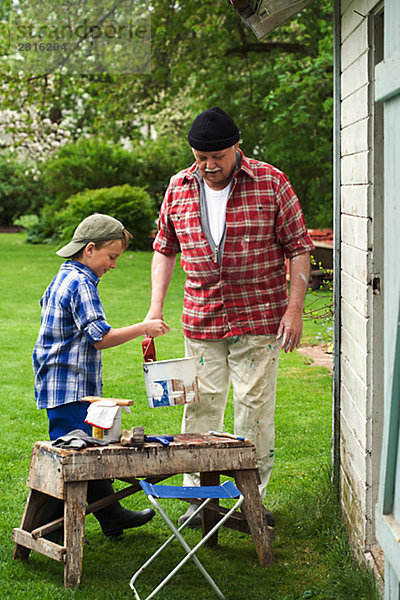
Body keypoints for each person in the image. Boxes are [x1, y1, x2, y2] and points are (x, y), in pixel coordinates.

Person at [145, 107, 314, 528]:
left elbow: (299, 247)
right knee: (199, 406)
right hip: (202, 318)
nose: (209, 166)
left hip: (259, 317)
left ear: (237, 147)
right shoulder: (179, 186)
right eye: (201, 157)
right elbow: (165, 248)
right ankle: (199, 500)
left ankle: (246, 500)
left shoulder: (271, 182)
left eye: (217, 156)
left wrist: (295, 309)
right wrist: (154, 308)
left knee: (254, 409)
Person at [33, 213, 170, 540]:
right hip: (70, 386)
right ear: (90, 249)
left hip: (60, 382)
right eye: (112, 257)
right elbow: (100, 338)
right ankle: (49, 531)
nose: (114, 265)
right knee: (73, 458)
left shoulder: (65, 276)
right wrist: (143, 327)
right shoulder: (81, 284)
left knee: (86, 450)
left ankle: (111, 516)